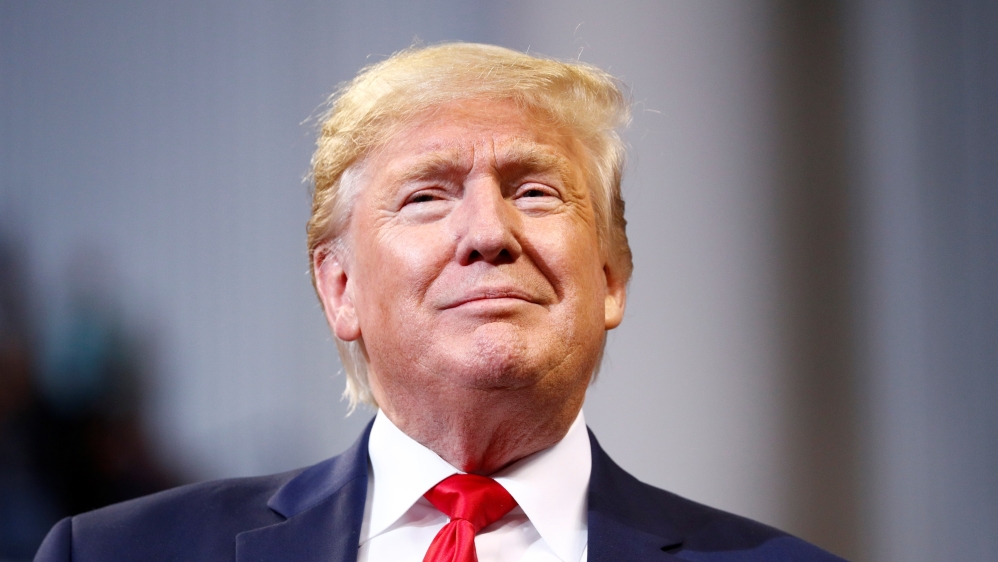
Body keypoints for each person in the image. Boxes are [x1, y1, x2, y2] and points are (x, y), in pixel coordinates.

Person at [34, 43, 845, 562]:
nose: (488, 232)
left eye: (534, 191)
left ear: (611, 279)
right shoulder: (115, 553)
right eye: (426, 197)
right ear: (340, 288)